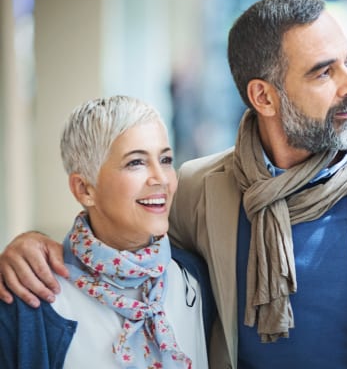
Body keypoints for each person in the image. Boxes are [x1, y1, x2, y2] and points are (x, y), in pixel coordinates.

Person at [0, 0, 347, 368]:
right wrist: (33, 247)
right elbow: (123, 247)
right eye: (323, 71)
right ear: (263, 96)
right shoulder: (199, 189)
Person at [0, 96, 212, 368]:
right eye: (136, 162)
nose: (160, 178)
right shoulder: (26, 301)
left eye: (166, 159)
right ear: (84, 189)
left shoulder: (196, 279)